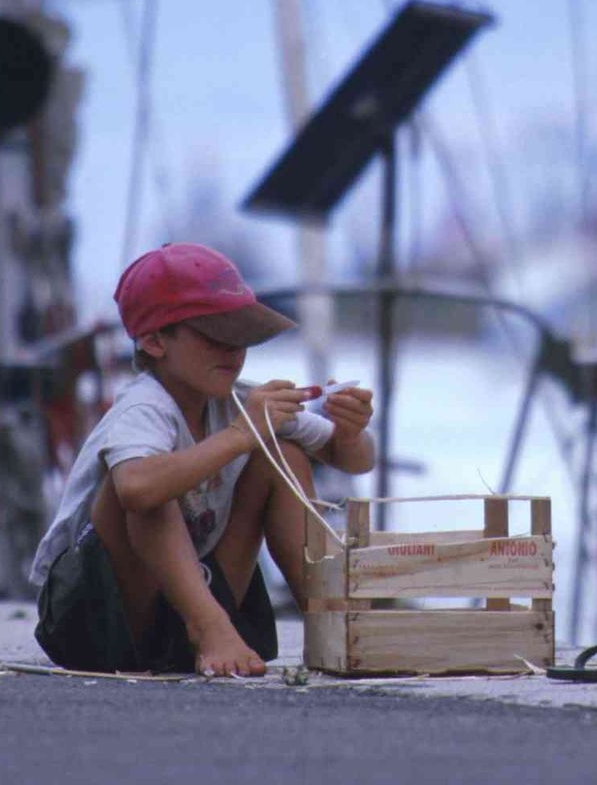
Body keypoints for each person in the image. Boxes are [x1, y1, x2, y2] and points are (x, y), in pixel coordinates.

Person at [31, 242, 375, 677]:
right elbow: (135, 489)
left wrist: (350, 432)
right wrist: (241, 435)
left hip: (186, 606)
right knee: (146, 487)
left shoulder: (239, 401)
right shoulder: (143, 407)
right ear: (154, 341)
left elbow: (355, 460)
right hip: (96, 618)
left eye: (241, 335)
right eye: (215, 336)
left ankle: (335, 626)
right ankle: (210, 626)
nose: (233, 350)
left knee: (283, 455)